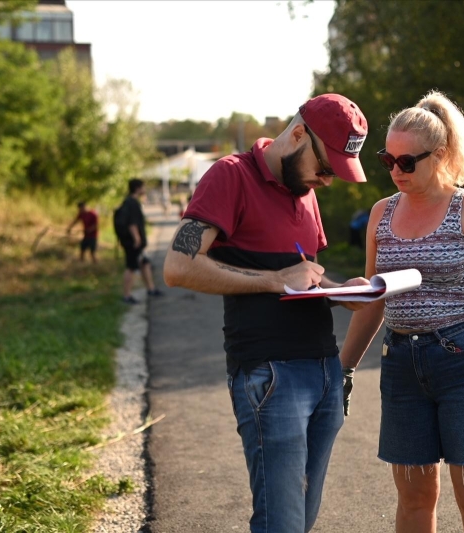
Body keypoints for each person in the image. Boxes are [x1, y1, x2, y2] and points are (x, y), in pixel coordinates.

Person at [163, 93, 371, 533]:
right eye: (325, 167)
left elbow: (303, 275)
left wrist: (342, 292)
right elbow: (178, 267)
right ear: (298, 135)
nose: (327, 181)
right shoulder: (230, 176)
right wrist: (272, 280)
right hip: (271, 375)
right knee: (283, 522)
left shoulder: (306, 189)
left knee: (301, 518)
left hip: (325, 371)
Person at [339, 90, 464, 533]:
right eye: (388, 160)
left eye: (408, 162)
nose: (396, 171)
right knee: (415, 502)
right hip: (401, 366)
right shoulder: (381, 215)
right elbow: (374, 300)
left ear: (439, 155)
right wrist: (342, 369)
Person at [117, 178, 163, 304]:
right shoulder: (132, 203)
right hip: (133, 243)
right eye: (143, 187)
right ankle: (126, 296)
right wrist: (137, 239)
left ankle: (151, 289)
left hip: (133, 242)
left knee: (145, 263)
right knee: (131, 267)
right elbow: (132, 223)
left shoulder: (128, 202)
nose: (144, 189)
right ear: (137, 188)